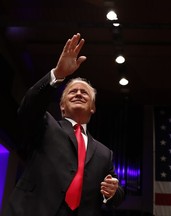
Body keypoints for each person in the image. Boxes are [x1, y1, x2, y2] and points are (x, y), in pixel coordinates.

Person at [3, 33, 125, 216]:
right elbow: (29, 107)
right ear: (61, 106)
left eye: (84, 93)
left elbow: (117, 193)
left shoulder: (104, 153)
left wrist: (114, 192)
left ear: (92, 107)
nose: (78, 93)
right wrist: (58, 74)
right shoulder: (45, 124)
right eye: (72, 92)